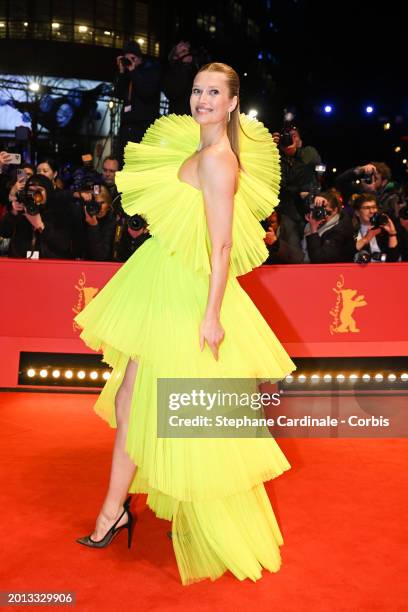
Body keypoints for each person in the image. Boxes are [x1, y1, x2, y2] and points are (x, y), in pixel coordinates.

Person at [74, 63, 296, 585]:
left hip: (186, 295)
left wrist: (213, 314)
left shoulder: (219, 161)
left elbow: (221, 246)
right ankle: (114, 510)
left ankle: (138, 514)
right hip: (162, 283)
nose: (202, 99)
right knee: (134, 403)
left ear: (233, 103)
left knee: (184, 416)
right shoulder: (195, 150)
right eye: (197, 90)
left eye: (214, 92)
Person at [114, 40, 161, 166]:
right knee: (123, 165)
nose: (130, 61)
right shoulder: (127, 73)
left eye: (133, 58)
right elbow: (118, 94)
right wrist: (122, 72)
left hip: (144, 129)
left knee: (139, 166)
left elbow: (147, 92)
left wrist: (133, 71)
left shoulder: (151, 71)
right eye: (127, 58)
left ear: (140, 58)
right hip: (126, 127)